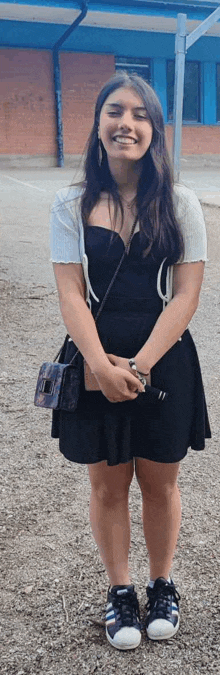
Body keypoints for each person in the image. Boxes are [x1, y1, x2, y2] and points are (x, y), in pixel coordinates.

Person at [49, 72, 211, 651]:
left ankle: (161, 583)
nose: (128, 123)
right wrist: (96, 364)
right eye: (116, 111)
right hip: (95, 351)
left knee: (160, 482)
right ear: (98, 125)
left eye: (142, 115)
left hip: (162, 356)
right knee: (108, 484)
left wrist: (137, 367)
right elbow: (71, 293)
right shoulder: (71, 203)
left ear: (156, 131)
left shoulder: (182, 202)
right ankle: (120, 590)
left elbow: (188, 296)